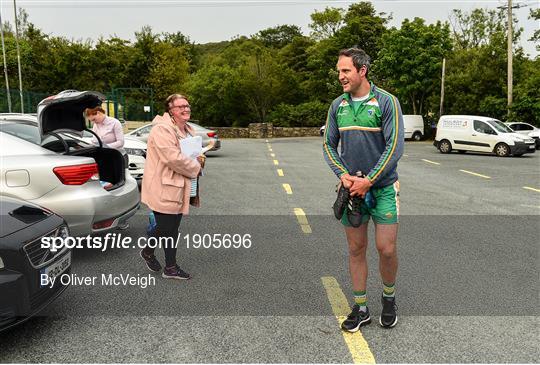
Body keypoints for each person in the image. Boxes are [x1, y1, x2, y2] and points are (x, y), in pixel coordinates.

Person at [323, 47, 404, 330]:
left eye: (345, 71)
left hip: (381, 188)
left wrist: (369, 179)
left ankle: (389, 298)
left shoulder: (386, 102)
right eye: (339, 72)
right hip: (351, 190)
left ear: (362, 70)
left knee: (386, 249)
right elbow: (328, 145)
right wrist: (343, 175)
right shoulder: (337, 106)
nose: (341, 77)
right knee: (356, 249)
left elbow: (395, 147)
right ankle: (361, 308)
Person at [139, 93, 206, 280]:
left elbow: (192, 153)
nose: (185, 109)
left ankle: (149, 253)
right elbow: (172, 158)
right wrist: (196, 166)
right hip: (164, 186)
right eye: (180, 106)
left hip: (180, 186)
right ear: (170, 110)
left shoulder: (188, 129)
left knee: (170, 227)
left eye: (187, 105)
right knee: (168, 228)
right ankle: (170, 267)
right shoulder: (162, 130)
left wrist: (200, 158)